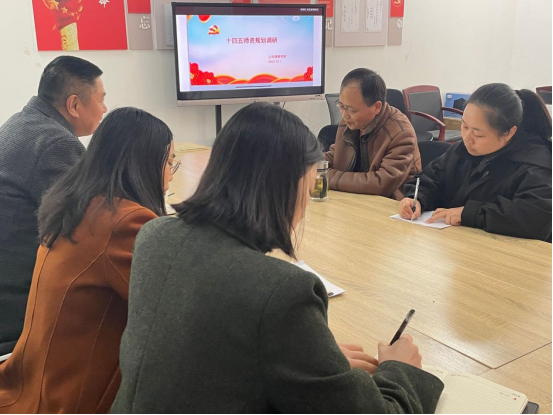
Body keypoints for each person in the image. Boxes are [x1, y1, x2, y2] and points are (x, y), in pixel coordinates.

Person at [111, 103, 444, 414]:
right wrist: (400, 368)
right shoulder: (283, 292)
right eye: (309, 187)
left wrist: (312, 357)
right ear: (287, 187)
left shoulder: (154, 237)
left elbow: (208, 349)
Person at [0, 108, 175, 414]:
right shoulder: (124, 221)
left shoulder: (74, 203)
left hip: (28, 384)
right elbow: (171, 306)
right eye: (170, 163)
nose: (171, 174)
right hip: (72, 401)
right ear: (147, 164)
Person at [0, 56, 107, 351]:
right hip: (19, 303)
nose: (104, 109)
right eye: (101, 99)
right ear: (74, 105)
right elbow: (88, 227)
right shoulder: (56, 143)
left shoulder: (21, 122)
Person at [399, 83, 552, 242]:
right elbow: (430, 179)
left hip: (506, 252)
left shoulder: (535, 166)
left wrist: (469, 214)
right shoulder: (462, 150)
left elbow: (534, 218)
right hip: (456, 243)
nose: (467, 138)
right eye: (464, 126)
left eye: (478, 135)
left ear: (508, 133)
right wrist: (416, 199)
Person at [325, 69, 422, 199]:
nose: (344, 115)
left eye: (351, 110)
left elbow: (381, 184)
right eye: (341, 106)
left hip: (390, 203)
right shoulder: (351, 122)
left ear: (376, 107)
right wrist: (310, 163)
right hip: (354, 196)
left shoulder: (401, 133)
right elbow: (337, 154)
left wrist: (327, 176)